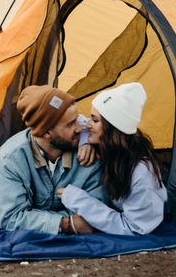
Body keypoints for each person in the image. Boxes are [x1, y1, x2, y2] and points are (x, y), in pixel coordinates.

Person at [0, 85, 106, 235]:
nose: (80, 128)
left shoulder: (89, 153)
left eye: (77, 119)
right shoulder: (10, 159)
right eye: (71, 124)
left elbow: (96, 214)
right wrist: (66, 224)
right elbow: (10, 218)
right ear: (46, 133)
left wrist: (33, 219)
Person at [59, 83, 167, 235]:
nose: (87, 125)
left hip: (143, 219)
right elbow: (81, 122)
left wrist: (79, 201)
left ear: (113, 129)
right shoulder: (115, 150)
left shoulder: (141, 173)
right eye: (91, 117)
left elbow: (135, 228)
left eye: (95, 121)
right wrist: (85, 142)